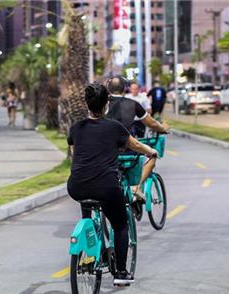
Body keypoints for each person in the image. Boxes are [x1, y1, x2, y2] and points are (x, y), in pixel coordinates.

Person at [67, 83, 158, 286]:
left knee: (88, 202)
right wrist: (151, 152)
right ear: (106, 104)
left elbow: (77, 156)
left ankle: (92, 245)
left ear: (87, 103)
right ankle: (121, 272)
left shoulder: (76, 128)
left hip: (76, 186)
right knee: (120, 225)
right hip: (106, 187)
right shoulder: (114, 127)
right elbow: (135, 145)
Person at [106, 76, 169, 211]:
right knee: (153, 155)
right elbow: (151, 123)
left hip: (107, 151)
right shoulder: (132, 104)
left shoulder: (102, 105)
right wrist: (162, 129)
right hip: (128, 149)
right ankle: (137, 187)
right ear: (125, 89)